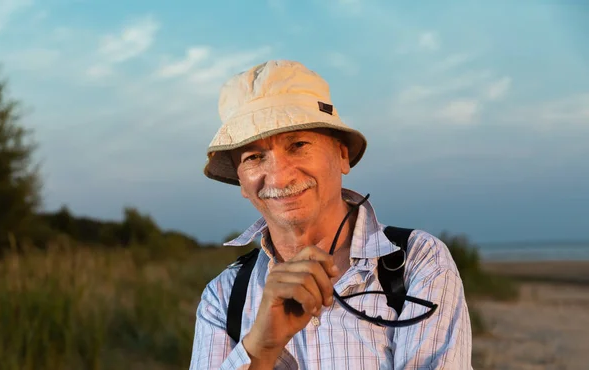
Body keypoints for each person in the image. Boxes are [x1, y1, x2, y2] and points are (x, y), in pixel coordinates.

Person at [189, 60, 472, 369]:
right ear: (241, 181)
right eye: (254, 157)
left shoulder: (416, 261)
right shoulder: (224, 296)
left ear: (342, 155)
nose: (279, 177)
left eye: (297, 145)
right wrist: (262, 346)